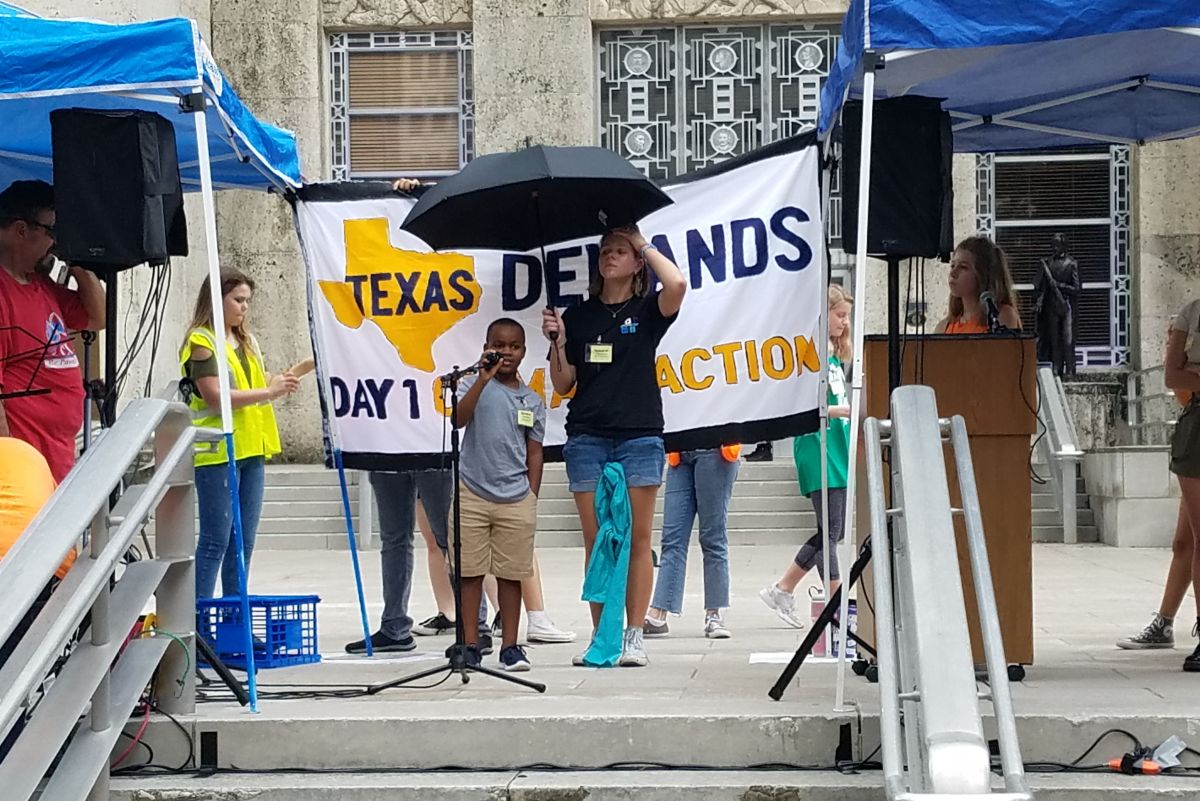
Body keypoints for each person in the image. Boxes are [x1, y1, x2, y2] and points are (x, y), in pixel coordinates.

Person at [542, 225, 687, 667]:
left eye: (620, 251)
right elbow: (564, 384)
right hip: (587, 436)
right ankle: (600, 635)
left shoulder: (647, 310)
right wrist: (559, 344)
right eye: (605, 251)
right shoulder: (578, 315)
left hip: (639, 435)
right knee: (597, 539)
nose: (610, 257)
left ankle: (634, 634)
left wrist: (642, 242)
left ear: (637, 263)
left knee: (638, 538)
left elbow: (678, 283)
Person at [181, 270, 298, 599]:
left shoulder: (248, 341)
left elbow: (254, 386)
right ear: (216, 301)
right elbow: (214, 397)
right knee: (216, 540)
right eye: (238, 300)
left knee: (242, 544)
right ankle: (201, 627)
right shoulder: (201, 341)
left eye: (248, 301)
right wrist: (269, 392)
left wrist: (278, 383)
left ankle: (235, 625)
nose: (244, 307)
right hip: (217, 451)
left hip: (251, 449)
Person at [453, 317, 546, 671]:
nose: (506, 352)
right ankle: (470, 644)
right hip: (472, 490)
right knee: (470, 571)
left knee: (511, 572)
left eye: (514, 346)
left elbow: (535, 450)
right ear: (486, 347)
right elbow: (458, 420)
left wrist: (531, 494)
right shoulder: (470, 384)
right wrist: (482, 379)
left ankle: (511, 645)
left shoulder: (532, 399)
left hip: (516, 495)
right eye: (499, 345)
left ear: (523, 351)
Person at [761, 285, 854, 628]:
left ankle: (783, 588)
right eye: (839, 315)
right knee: (830, 529)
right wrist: (843, 410)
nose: (845, 322)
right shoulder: (810, 352)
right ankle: (836, 600)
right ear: (822, 313)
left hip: (835, 445)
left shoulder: (831, 353)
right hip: (818, 446)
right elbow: (804, 403)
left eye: (847, 316)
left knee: (830, 529)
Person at [0, 180, 105, 482]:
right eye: (52, 232)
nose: (54, 243)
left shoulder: (40, 284)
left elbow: (96, 318)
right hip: (23, 465)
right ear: (21, 230)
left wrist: (76, 261)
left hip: (56, 455)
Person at [644, 446, 740, 639]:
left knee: (713, 536)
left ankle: (714, 613)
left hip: (716, 445)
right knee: (672, 537)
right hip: (681, 450)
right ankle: (659, 612)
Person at [1158, 297, 1200, 671]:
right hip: (1196, 429)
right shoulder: (1191, 311)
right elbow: (1174, 377)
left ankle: (1164, 621)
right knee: (1189, 540)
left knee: (1187, 541)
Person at [934, 236, 1022, 334]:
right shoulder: (943, 327)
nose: (953, 273)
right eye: (952, 266)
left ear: (983, 275)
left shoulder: (1002, 316)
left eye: (963, 267)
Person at [1035, 233, 1079, 377]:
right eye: (1052, 245)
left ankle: (1070, 371)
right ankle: (1056, 369)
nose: (1054, 248)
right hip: (1052, 306)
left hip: (1067, 306)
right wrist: (1040, 300)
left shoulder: (1072, 263)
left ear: (1063, 245)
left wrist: (1060, 285)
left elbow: (1076, 289)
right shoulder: (1048, 263)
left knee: (1068, 340)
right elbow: (1041, 286)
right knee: (1054, 340)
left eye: (1057, 245)